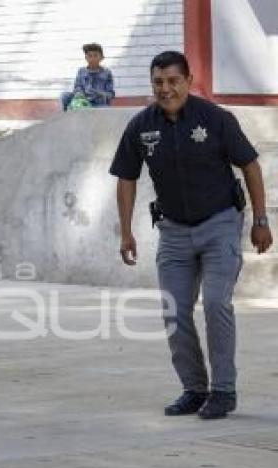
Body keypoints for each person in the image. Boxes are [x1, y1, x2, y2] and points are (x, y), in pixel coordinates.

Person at [110, 51, 273, 420]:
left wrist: (260, 220)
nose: (165, 89)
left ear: (188, 81)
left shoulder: (215, 119)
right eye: (158, 82)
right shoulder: (140, 127)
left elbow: (249, 164)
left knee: (216, 304)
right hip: (173, 232)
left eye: (172, 81)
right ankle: (194, 388)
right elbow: (126, 178)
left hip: (219, 225)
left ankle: (224, 390)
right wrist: (126, 231)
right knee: (174, 311)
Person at [61, 43, 115, 111]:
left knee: (105, 109)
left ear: (101, 58)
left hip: (98, 103)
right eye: (90, 56)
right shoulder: (81, 71)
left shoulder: (107, 73)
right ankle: (67, 117)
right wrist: (79, 93)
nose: (92, 59)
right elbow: (77, 86)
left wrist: (100, 94)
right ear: (86, 58)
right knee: (65, 96)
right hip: (83, 101)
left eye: (95, 56)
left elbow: (111, 94)